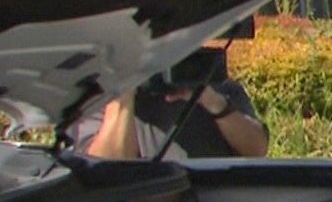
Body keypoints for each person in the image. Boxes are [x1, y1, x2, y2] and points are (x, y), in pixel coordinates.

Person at [76, 46, 268, 160]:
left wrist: (214, 103)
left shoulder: (219, 89)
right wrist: (122, 98)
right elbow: (103, 170)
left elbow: (257, 150)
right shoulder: (97, 102)